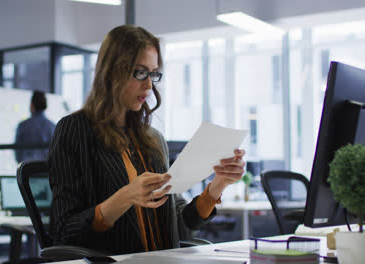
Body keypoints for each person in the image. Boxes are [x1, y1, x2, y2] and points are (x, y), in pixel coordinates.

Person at [48, 25, 246, 255]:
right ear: (112, 72)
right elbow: (63, 230)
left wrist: (217, 186)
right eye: (140, 73)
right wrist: (126, 196)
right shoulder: (75, 130)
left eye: (153, 74)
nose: (149, 85)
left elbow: (181, 225)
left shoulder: (152, 139)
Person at [15, 90, 56, 163]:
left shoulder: (23, 126)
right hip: (47, 169)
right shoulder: (53, 126)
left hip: (27, 169)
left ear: (32, 105)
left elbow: (18, 155)